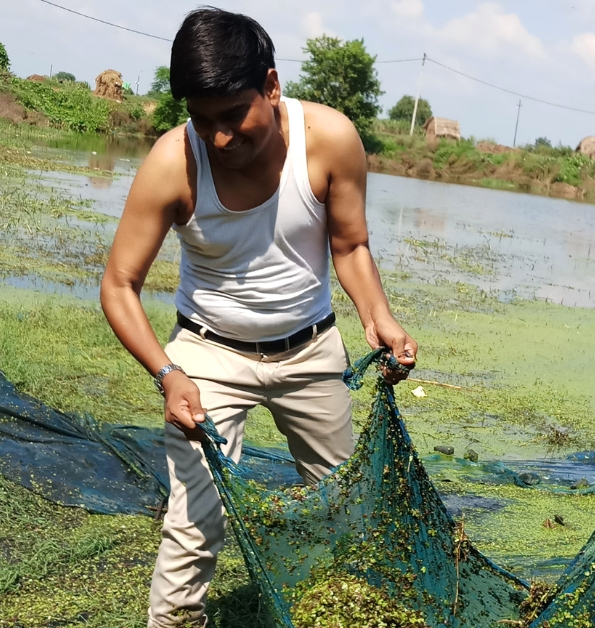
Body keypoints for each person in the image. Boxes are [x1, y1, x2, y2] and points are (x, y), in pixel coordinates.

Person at [98, 9, 417, 627]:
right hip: (207, 357)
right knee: (195, 524)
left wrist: (378, 316)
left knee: (349, 511)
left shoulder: (331, 140)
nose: (219, 137)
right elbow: (119, 284)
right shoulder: (173, 163)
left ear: (271, 87)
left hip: (312, 351)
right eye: (202, 118)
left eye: (233, 115)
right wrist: (168, 374)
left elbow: (349, 247)